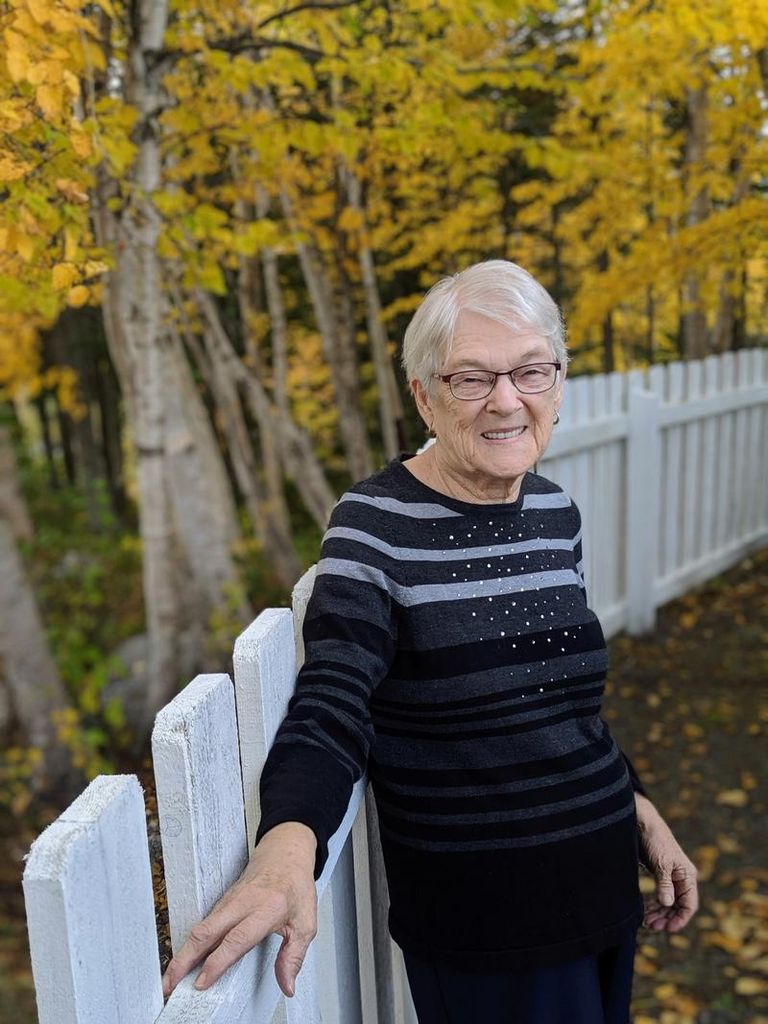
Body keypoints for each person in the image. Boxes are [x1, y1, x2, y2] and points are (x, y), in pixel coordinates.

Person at [161, 260, 699, 1023]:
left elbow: (563, 702)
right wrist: (288, 843)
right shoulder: (374, 527)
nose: (507, 400)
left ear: (559, 380)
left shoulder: (554, 510)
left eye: (531, 372)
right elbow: (334, 700)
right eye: (472, 378)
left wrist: (640, 810)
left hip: (604, 890)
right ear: (424, 394)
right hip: (489, 924)